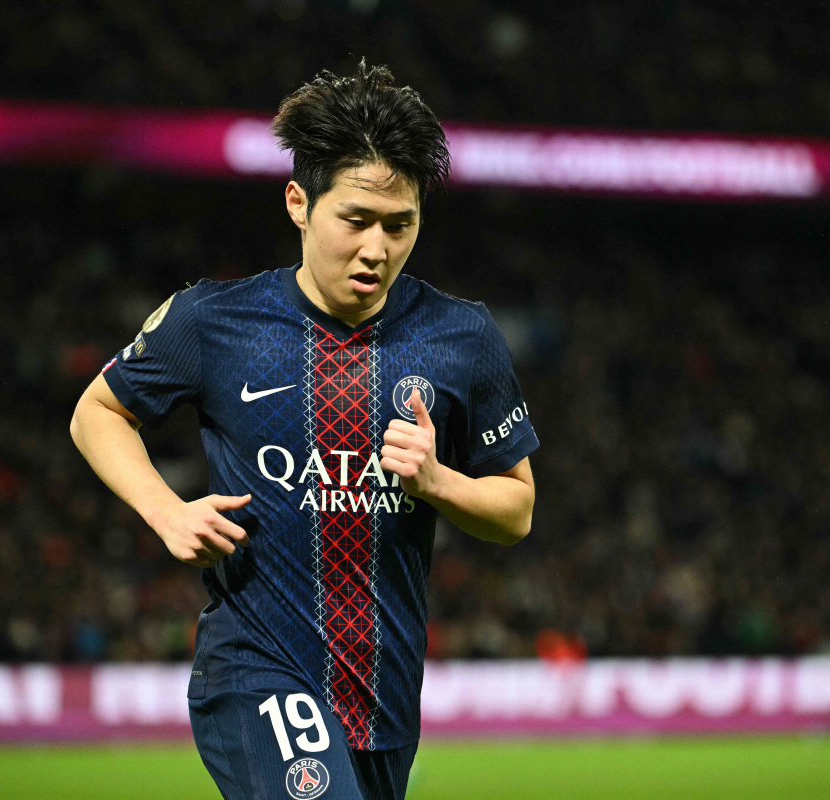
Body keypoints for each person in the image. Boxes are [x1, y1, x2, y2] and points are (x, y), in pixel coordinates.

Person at [70, 61, 537, 800]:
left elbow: (517, 511)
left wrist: (437, 480)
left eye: (400, 225)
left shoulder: (462, 336)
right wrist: (164, 510)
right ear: (299, 203)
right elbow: (97, 411)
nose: (377, 248)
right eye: (355, 220)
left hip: (383, 696)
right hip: (257, 668)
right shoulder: (214, 322)